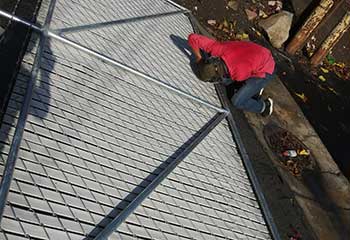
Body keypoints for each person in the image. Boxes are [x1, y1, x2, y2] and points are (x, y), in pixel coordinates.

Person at [188, 33, 276, 117]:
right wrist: (199, 57)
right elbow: (192, 37)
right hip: (257, 52)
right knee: (229, 83)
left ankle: (264, 107)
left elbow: (239, 73)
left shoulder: (239, 73)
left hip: (266, 68)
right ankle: (255, 90)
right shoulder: (216, 49)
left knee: (237, 101)